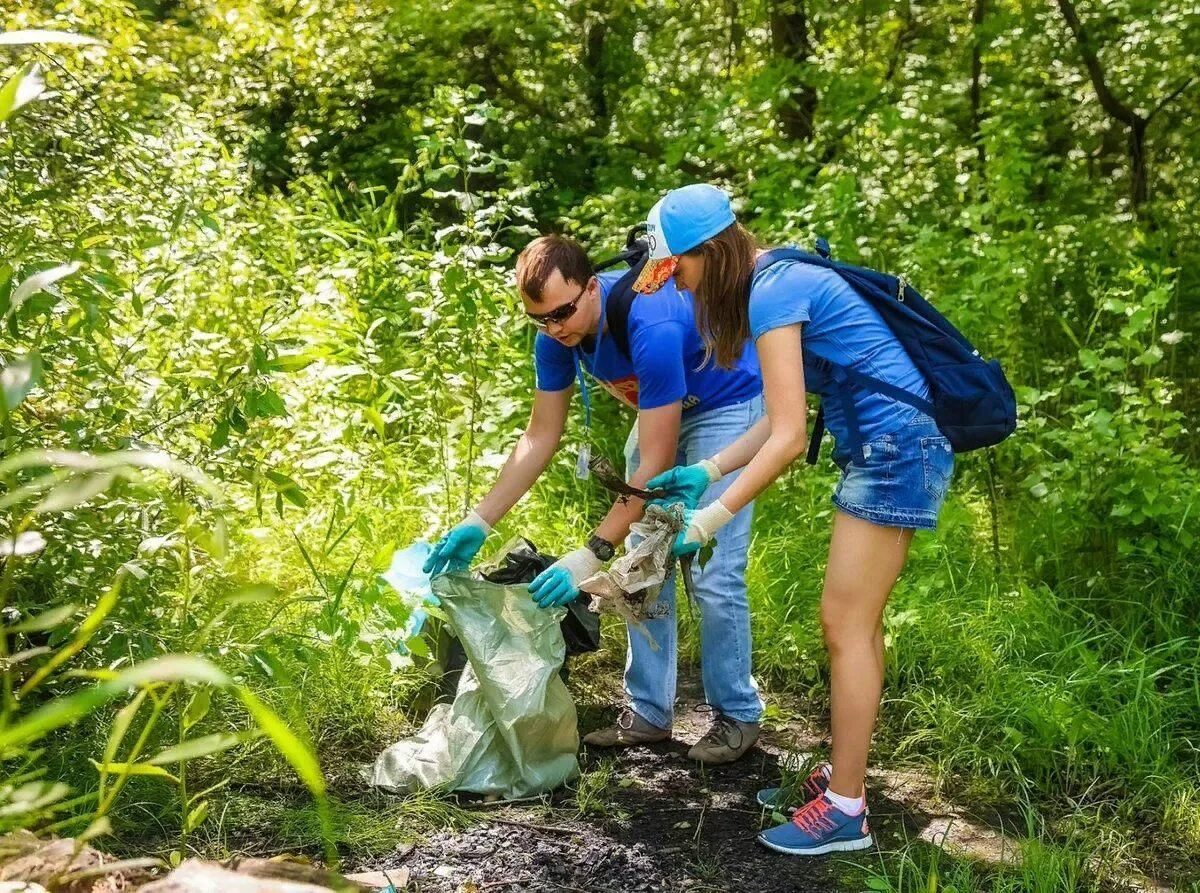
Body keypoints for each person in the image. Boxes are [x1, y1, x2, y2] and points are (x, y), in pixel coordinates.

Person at [632, 184, 954, 855]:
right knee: (857, 624)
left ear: (706, 253)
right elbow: (783, 419)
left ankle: (845, 811)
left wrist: (708, 520)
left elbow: (786, 440)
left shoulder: (773, 292)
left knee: (845, 624)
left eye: (679, 269)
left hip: (895, 451)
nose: (679, 285)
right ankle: (843, 778)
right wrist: (708, 470)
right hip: (887, 448)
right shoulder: (774, 277)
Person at [423, 233, 767, 764]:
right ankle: (649, 711)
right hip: (662, 414)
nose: (554, 328)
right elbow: (540, 435)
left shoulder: (650, 321)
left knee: (711, 569)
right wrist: (479, 519)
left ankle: (737, 714)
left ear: (590, 288)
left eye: (562, 313)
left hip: (726, 405)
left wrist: (590, 553)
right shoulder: (556, 337)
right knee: (642, 565)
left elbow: (653, 466)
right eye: (539, 319)